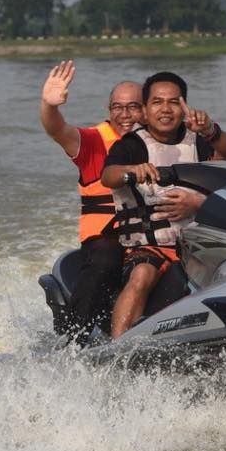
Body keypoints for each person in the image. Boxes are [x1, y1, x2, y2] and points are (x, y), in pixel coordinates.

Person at [101, 71, 226, 338]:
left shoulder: (198, 140)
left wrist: (211, 130)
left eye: (174, 102)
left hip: (196, 242)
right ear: (144, 110)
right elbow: (108, 176)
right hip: (151, 245)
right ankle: (117, 344)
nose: (165, 109)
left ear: (184, 106)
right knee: (142, 275)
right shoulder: (131, 146)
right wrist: (132, 169)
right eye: (157, 102)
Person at [39, 60, 143, 343]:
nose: (126, 115)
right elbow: (58, 130)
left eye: (134, 107)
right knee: (105, 262)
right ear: (109, 111)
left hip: (151, 236)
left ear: (146, 110)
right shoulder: (94, 141)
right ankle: (75, 343)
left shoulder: (159, 142)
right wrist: (50, 106)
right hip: (105, 239)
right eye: (117, 108)